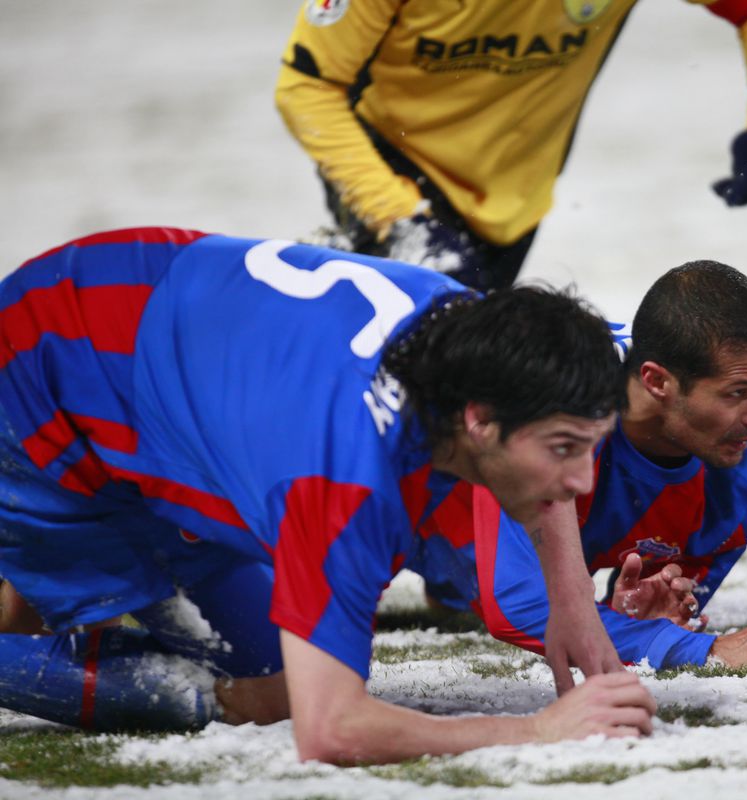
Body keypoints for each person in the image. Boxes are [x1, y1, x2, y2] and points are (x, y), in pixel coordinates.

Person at [0, 227, 655, 762]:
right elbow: (331, 730)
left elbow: (542, 429)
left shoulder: (477, 335)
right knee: (260, 695)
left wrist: (572, 602)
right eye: (566, 449)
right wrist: (537, 732)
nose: (583, 480)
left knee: (264, 667)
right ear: (479, 420)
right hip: (41, 369)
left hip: (139, 329)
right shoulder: (343, 477)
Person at [411, 260, 747, 670]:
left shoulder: (735, 469)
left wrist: (643, 617)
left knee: (465, 579)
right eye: (738, 392)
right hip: (391, 498)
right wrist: (703, 649)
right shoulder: (554, 396)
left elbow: (645, 617)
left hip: (456, 536)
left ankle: (450, 581)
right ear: (657, 381)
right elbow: (520, 606)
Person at [274, 0, 747, 291]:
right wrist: (400, 218)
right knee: (433, 391)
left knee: (478, 413)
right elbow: (305, 89)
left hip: (515, 199)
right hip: (392, 167)